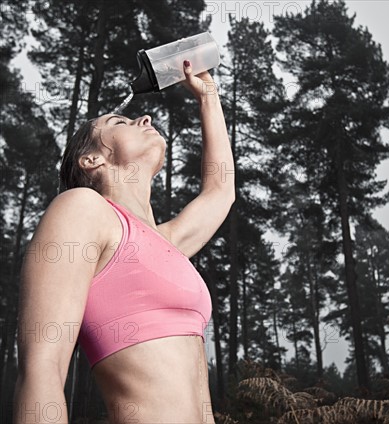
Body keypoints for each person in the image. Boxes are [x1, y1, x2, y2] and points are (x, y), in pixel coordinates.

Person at [12, 60, 234, 424]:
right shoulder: (81, 210)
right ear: (92, 159)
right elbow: (42, 369)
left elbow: (221, 191)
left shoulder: (166, 244)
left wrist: (208, 97)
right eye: (120, 122)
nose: (144, 119)